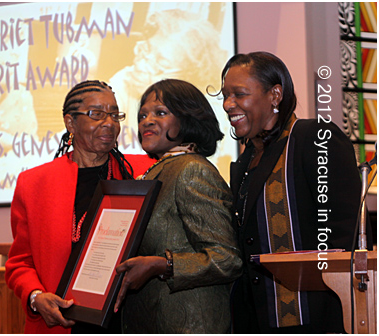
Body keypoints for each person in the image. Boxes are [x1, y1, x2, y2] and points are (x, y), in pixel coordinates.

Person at [221, 51, 373, 333]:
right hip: (256, 318)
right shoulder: (245, 159)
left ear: (275, 95)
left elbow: (344, 236)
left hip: (313, 317)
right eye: (225, 96)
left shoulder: (313, 138)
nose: (229, 104)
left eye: (239, 94)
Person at [5, 80, 152, 334]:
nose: (109, 123)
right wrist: (36, 297)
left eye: (115, 114)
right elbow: (20, 264)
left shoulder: (143, 171)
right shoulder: (34, 184)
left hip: (129, 321)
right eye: (96, 114)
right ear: (70, 123)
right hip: (63, 323)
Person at [113, 79, 243, 333]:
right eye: (142, 115)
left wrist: (164, 265)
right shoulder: (160, 171)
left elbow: (227, 259)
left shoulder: (192, 170)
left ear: (188, 119)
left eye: (160, 113)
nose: (147, 121)